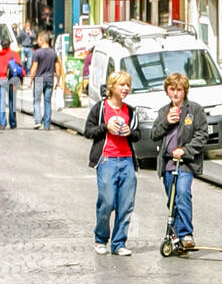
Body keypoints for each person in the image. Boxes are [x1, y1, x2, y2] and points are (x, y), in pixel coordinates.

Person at [84, 69, 141, 256]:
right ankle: (100, 239)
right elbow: (88, 131)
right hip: (107, 159)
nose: (125, 89)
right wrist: (105, 127)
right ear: (112, 87)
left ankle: (118, 243)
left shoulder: (130, 111)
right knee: (107, 201)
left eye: (128, 85)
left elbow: (138, 135)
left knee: (126, 204)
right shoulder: (100, 108)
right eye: (121, 85)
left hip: (126, 160)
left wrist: (129, 134)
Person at [152, 72, 209, 251]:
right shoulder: (163, 111)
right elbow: (154, 135)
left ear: (185, 91)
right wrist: (166, 122)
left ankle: (186, 234)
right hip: (168, 162)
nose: (175, 94)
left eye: (179, 90)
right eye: (172, 90)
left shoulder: (195, 110)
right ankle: (175, 236)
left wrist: (185, 150)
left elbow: (202, 134)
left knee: (183, 193)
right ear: (167, 91)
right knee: (172, 200)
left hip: (185, 162)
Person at [28, 31, 61, 129]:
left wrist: (31, 79)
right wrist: (58, 80)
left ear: (42, 40)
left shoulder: (37, 53)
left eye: (38, 39)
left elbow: (34, 68)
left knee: (37, 101)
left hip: (39, 79)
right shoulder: (53, 53)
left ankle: (38, 121)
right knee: (48, 102)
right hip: (50, 79)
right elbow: (58, 68)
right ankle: (47, 124)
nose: (37, 41)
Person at [0, 34, 24, 130]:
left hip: (1, 79)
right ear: (9, 44)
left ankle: (2, 123)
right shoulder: (14, 54)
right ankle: (13, 122)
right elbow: (20, 69)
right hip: (12, 79)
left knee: (1, 102)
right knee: (12, 101)